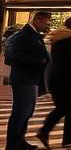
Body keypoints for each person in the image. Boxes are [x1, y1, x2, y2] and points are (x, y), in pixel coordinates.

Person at [36, 16, 71, 149]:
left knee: (63, 107)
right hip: (69, 78)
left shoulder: (59, 37)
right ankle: (63, 137)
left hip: (56, 76)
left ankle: (52, 134)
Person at [4, 11, 51, 150]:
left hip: (30, 78)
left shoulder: (33, 34)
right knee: (21, 112)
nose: (47, 25)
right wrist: (40, 60)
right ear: (37, 20)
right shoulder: (24, 35)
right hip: (23, 78)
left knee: (27, 112)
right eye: (46, 22)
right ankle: (13, 144)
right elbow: (17, 57)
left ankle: (20, 141)